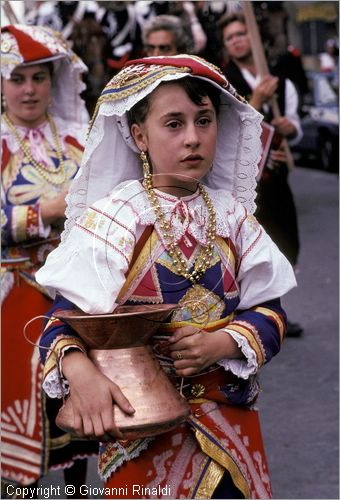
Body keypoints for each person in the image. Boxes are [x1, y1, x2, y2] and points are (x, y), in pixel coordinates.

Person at [36, 55, 296, 498]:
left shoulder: (235, 219)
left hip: (230, 427)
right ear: (139, 135)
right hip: (141, 436)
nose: (193, 138)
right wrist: (81, 373)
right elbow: (60, 324)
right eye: (173, 124)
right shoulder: (116, 220)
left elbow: (270, 313)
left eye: (204, 120)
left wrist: (223, 342)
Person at [1, 24, 97, 495]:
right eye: (17, 78)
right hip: (12, 295)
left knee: (77, 408)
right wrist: (49, 211)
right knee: (23, 404)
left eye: (38, 78)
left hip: (76, 296)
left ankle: (77, 490)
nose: (29, 89)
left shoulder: (80, 139)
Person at [218, 12, 304, 337]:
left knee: (284, 244)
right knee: (248, 250)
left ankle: (276, 312)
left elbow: (295, 125)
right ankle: (251, 316)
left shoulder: (281, 79)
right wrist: (256, 101)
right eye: (231, 37)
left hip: (277, 181)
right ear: (226, 45)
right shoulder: (225, 83)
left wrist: (288, 128)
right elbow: (228, 132)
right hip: (245, 184)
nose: (238, 39)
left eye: (242, 33)